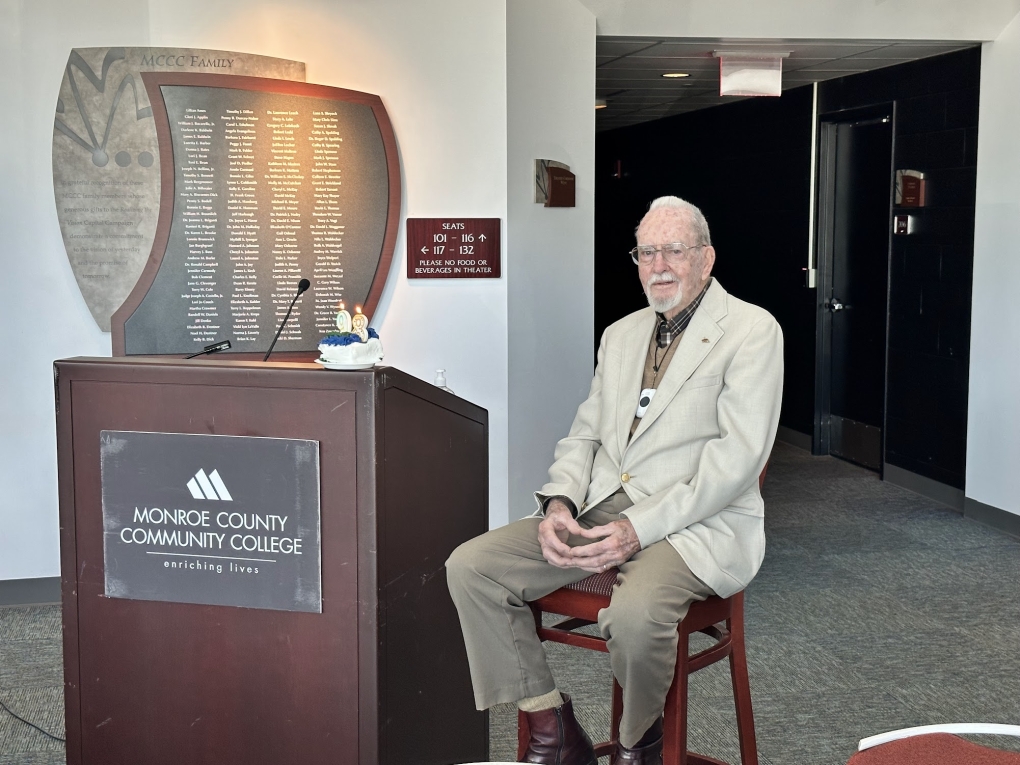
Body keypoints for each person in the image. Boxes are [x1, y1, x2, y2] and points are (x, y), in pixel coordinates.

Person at [446, 196, 784, 765]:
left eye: (674, 250)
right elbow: (586, 435)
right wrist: (558, 502)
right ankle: (554, 730)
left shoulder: (752, 330)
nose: (659, 265)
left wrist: (637, 526)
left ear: (706, 258)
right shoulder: (620, 334)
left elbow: (736, 463)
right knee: (473, 567)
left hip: (693, 524)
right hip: (600, 510)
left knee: (634, 617)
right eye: (646, 252)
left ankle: (636, 745)